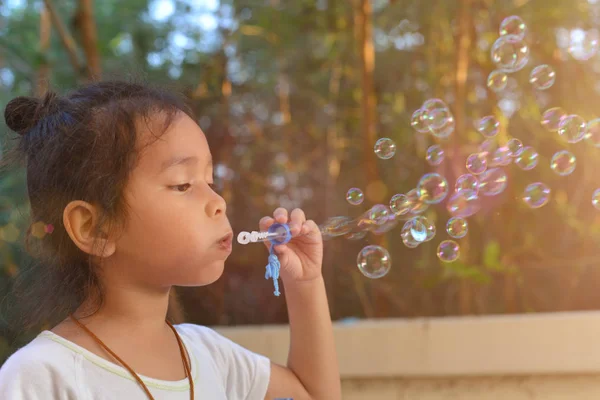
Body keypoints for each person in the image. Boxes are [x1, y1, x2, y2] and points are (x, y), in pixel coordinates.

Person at [0, 80, 341, 400]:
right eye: (182, 184)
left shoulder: (210, 354)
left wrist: (305, 283)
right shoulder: (41, 377)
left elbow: (311, 395)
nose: (217, 202)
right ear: (94, 227)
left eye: (210, 181)